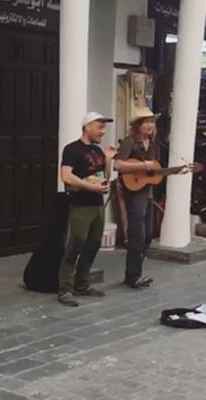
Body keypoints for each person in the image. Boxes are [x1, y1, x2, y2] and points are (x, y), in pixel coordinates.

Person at [58, 112, 116, 307]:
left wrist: (107, 160)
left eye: (103, 127)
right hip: (80, 204)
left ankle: (81, 284)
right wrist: (90, 187)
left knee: (93, 244)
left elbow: (104, 175)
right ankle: (65, 289)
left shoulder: (98, 151)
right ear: (87, 126)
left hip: (98, 204)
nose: (103, 131)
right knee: (75, 245)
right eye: (99, 127)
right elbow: (65, 176)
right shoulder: (72, 149)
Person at [114, 107, 161, 289]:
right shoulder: (130, 142)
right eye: (146, 122)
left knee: (148, 233)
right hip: (134, 193)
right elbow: (118, 164)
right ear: (138, 125)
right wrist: (143, 165)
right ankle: (133, 275)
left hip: (147, 192)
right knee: (137, 234)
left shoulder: (154, 145)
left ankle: (136, 271)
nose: (150, 125)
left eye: (152, 121)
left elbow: (154, 170)